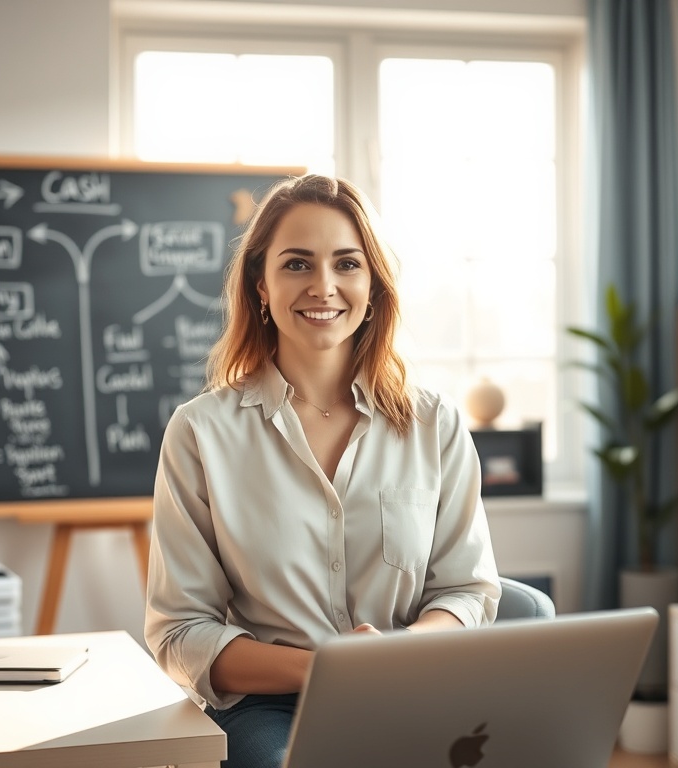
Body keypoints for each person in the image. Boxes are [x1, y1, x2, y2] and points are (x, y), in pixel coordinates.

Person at [145, 174, 500, 768]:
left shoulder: (434, 423)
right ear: (260, 285)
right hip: (270, 707)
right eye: (297, 265)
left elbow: (466, 590)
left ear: (372, 284)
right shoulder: (200, 432)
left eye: (346, 264)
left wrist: (398, 656)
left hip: (414, 691)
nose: (324, 286)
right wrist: (327, 670)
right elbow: (180, 631)